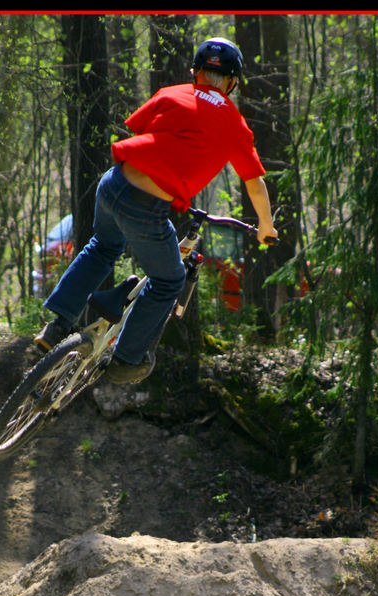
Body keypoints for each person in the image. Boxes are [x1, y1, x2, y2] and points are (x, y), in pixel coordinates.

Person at [34, 37, 279, 384]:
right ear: (232, 83)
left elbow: (141, 130)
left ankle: (57, 325)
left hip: (113, 183)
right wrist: (266, 225)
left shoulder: (171, 93)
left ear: (195, 72)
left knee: (102, 247)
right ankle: (126, 359)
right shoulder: (234, 123)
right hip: (145, 207)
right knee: (169, 280)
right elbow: (254, 183)